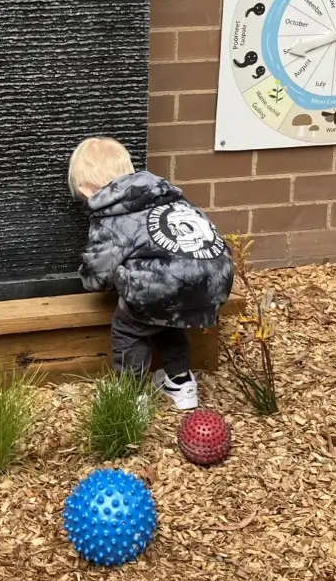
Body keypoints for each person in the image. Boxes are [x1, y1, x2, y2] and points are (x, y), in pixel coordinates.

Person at [68, 136, 234, 410]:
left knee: (130, 328)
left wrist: (91, 278)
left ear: (87, 189)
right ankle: (181, 385)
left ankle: (129, 395)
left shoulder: (110, 217)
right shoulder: (170, 197)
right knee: (168, 318)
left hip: (164, 285)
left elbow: (98, 275)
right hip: (215, 280)